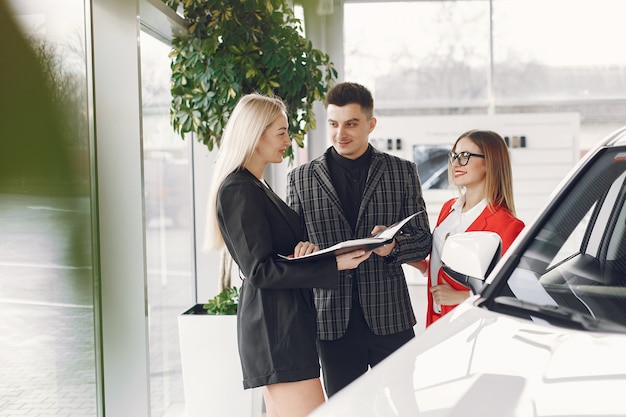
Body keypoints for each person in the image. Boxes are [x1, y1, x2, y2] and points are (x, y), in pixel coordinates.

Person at [205, 93, 371, 417]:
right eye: (281, 132)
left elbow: (272, 256)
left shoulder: (257, 186)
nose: (287, 140)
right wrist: (333, 262)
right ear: (256, 134)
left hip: (287, 326)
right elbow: (260, 271)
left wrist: (305, 252)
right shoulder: (239, 188)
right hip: (276, 331)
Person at [286, 82, 432, 397]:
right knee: (344, 409)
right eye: (333, 124)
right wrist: (301, 250)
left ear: (370, 124)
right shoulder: (300, 179)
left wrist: (393, 247)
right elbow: (292, 250)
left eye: (351, 123)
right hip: (331, 321)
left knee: (405, 405)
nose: (341, 133)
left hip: (390, 317)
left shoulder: (401, 172)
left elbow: (423, 240)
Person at [412, 129, 525, 327]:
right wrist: (403, 254)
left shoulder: (507, 226)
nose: (455, 163)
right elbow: (443, 266)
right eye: (454, 156)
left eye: (465, 156)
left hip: (470, 326)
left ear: (490, 162)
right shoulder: (449, 209)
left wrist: (463, 296)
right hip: (436, 320)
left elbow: (514, 291)